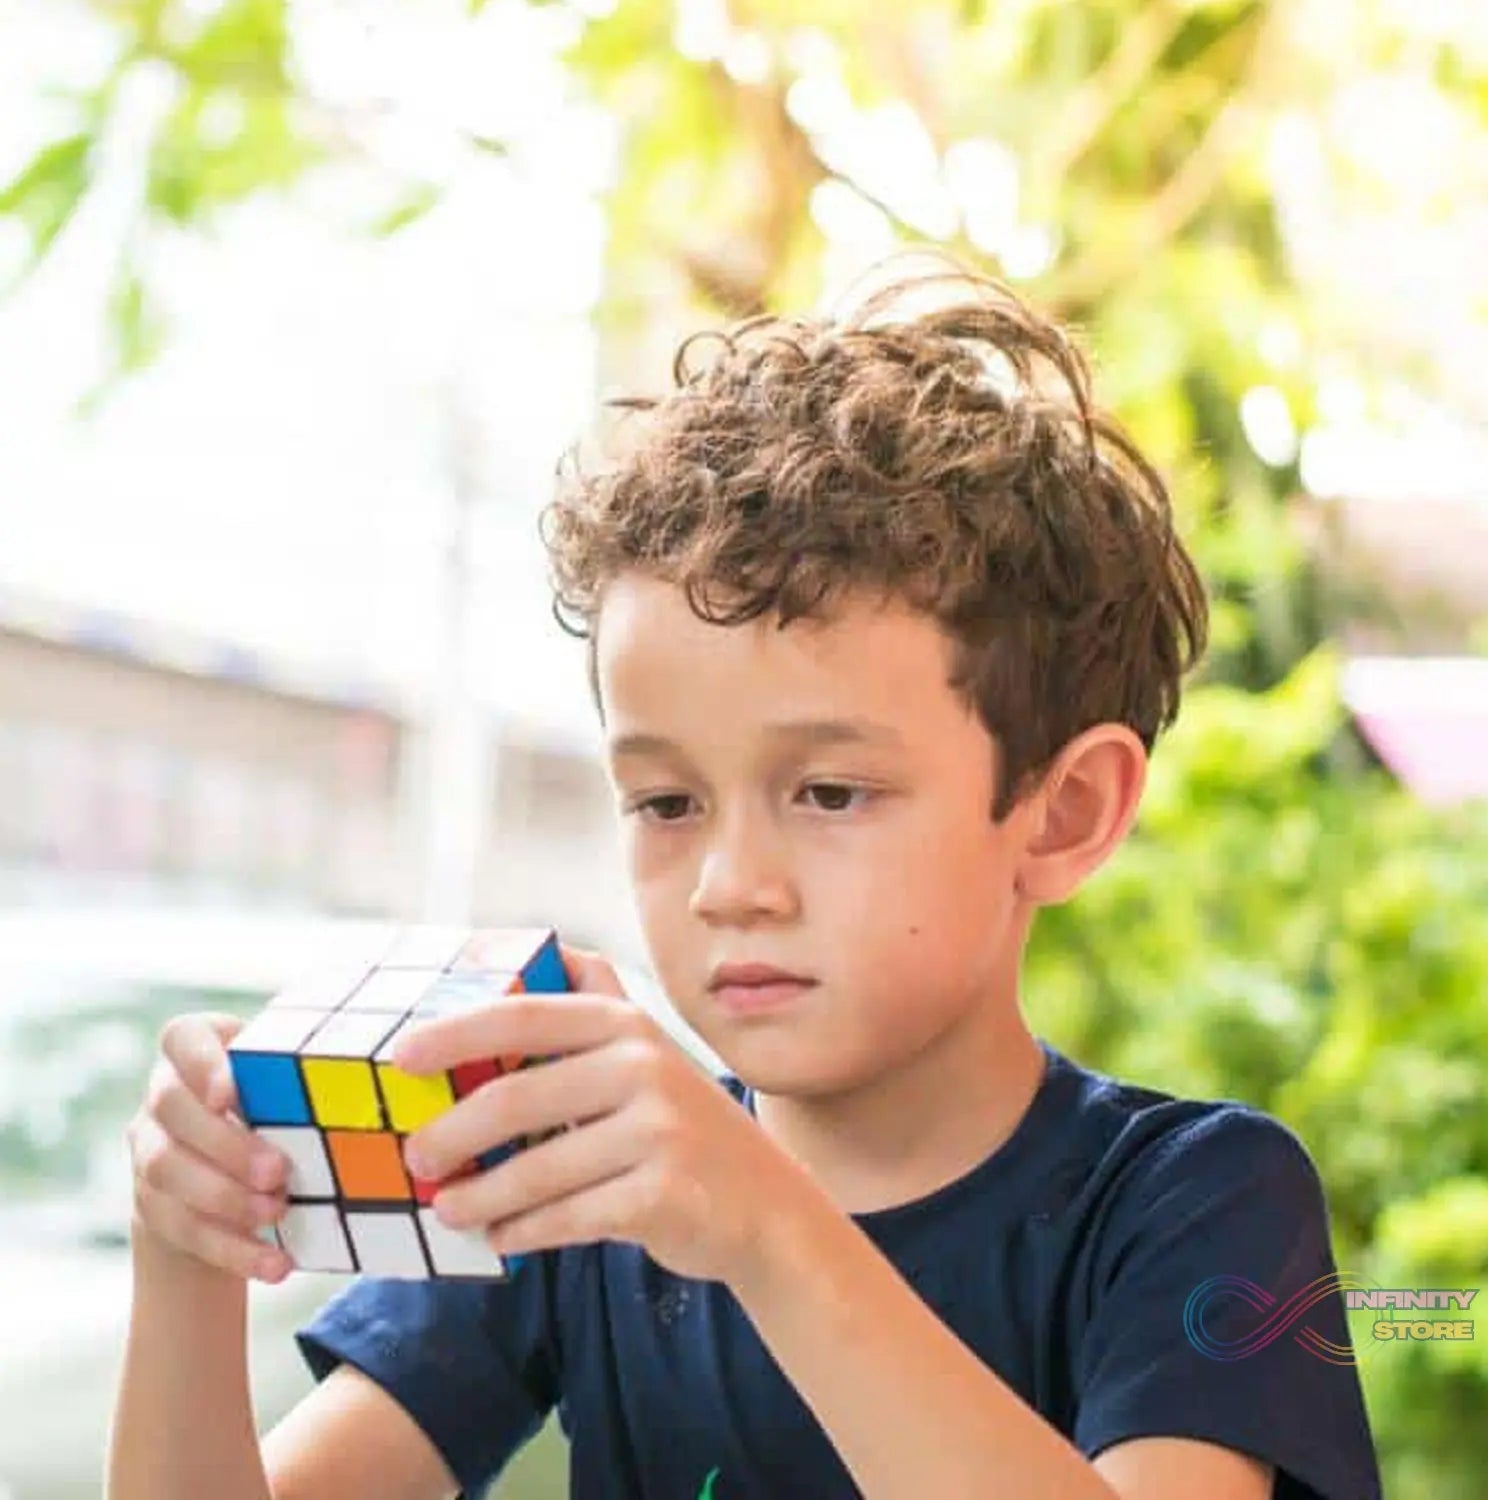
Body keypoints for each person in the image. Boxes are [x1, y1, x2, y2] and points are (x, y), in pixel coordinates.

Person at [107, 251, 1383, 1500]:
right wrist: (186, 1269)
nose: (730, 883)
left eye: (830, 792)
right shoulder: (583, 1195)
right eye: (665, 801)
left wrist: (769, 1233)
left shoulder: (1199, 1203)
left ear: (1063, 813)